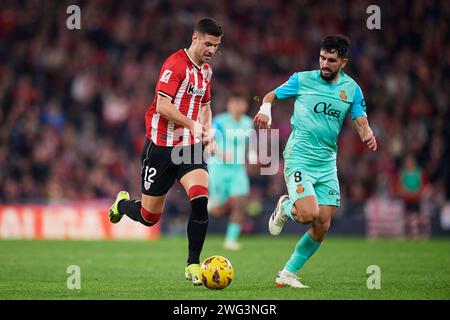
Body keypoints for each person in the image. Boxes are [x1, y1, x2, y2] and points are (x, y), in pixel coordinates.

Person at [254, 35, 377, 288]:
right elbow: (269, 96)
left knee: (323, 224)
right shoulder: (301, 79)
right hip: (299, 157)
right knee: (307, 214)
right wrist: (264, 110)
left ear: (343, 62)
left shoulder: (351, 89)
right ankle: (286, 206)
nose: (325, 64)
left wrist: (367, 133)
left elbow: (360, 117)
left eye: (331, 60)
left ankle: (287, 273)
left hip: (327, 163)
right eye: (322, 58)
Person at [108, 17, 223, 286]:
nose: (211, 50)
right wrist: (191, 123)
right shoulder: (175, 65)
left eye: (216, 46)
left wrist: (206, 132)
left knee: (200, 199)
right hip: (160, 148)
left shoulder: (206, 72)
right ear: (195, 38)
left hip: (189, 148)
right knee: (150, 217)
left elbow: (205, 104)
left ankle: (193, 264)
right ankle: (123, 204)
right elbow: (163, 106)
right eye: (207, 44)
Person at [208, 94, 254, 250]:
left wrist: (251, 157)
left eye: (241, 103)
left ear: (245, 106)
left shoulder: (248, 123)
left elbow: (247, 144)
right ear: (229, 105)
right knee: (218, 209)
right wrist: (221, 154)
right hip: (218, 168)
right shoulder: (219, 121)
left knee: (241, 202)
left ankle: (230, 240)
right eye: (234, 103)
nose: (238, 106)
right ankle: (211, 204)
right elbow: (209, 140)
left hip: (237, 170)